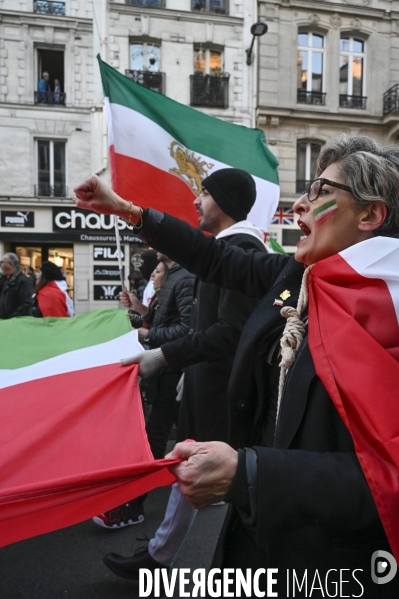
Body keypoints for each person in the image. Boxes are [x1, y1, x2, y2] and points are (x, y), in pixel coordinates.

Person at [75, 136, 399, 597]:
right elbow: (214, 258)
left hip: (336, 566)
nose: (300, 204)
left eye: (319, 190)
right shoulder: (299, 277)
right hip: (259, 537)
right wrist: (128, 210)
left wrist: (251, 475)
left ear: (370, 215)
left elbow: (385, 479)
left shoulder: (391, 312)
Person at [101, 168, 268, 580]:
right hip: (207, 385)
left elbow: (228, 332)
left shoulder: (242, 250)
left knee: (199, 475)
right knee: (194, 476)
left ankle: (165, 558)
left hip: (220, 391)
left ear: (225, 203)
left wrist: (164, 355)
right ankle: (162, 554)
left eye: (205, 193)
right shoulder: (232, 248)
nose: (196, 201)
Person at [93, 255, 194, 528]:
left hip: (171, 370)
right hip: (165, 370)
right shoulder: (177, 276)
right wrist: (138, 312)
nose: (153, 275)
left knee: (153, 439)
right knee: (162, 436)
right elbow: (163, 322)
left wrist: (144, 335)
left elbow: (187, 329)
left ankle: (133, 507)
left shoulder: (184, 277)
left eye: (157, 271)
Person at [0, 253, 32, 319]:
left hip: (15, 323)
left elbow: (25, 305)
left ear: (10, 265)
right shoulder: (4, 279)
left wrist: (11, 320)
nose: (0, 264)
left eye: (2, 262)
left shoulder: (23, 281)